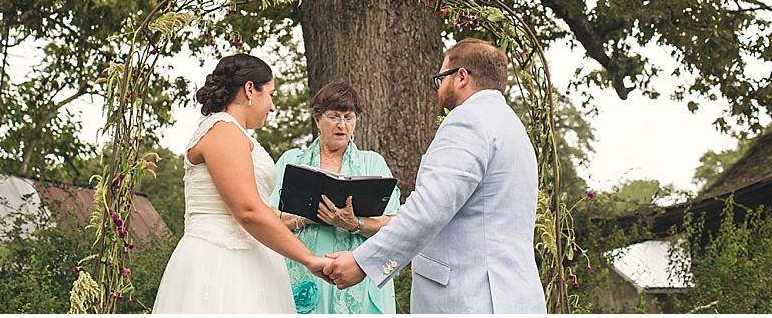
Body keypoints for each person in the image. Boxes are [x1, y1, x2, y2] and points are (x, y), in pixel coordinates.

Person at [324, 38, 547, 314]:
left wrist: (363, 262)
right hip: (514, 298)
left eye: (442, 78)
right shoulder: (513, 127)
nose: (439, 87)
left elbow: (430, 208)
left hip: (470, 298)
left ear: (461, 77)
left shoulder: (468, 121)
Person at [152, 54, 330, 313]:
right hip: (221, 264)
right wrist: (309, 259)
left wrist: (311, 214)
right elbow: (247, 211)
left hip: (249, 261)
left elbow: (258, 208)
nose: (272, 106)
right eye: (270, 94)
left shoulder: (234, 133)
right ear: (249, 89)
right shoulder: (223, 129)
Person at [269, 82, 401, 314]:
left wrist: (354, 223)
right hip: (305, 269)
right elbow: (268, 220)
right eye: (333, 117)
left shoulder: (373, 163)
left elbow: (394, 225)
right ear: (317, 119)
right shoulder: (291, 161)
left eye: (349, 117)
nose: (342, 125)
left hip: (356, 273)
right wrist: (307, 217)